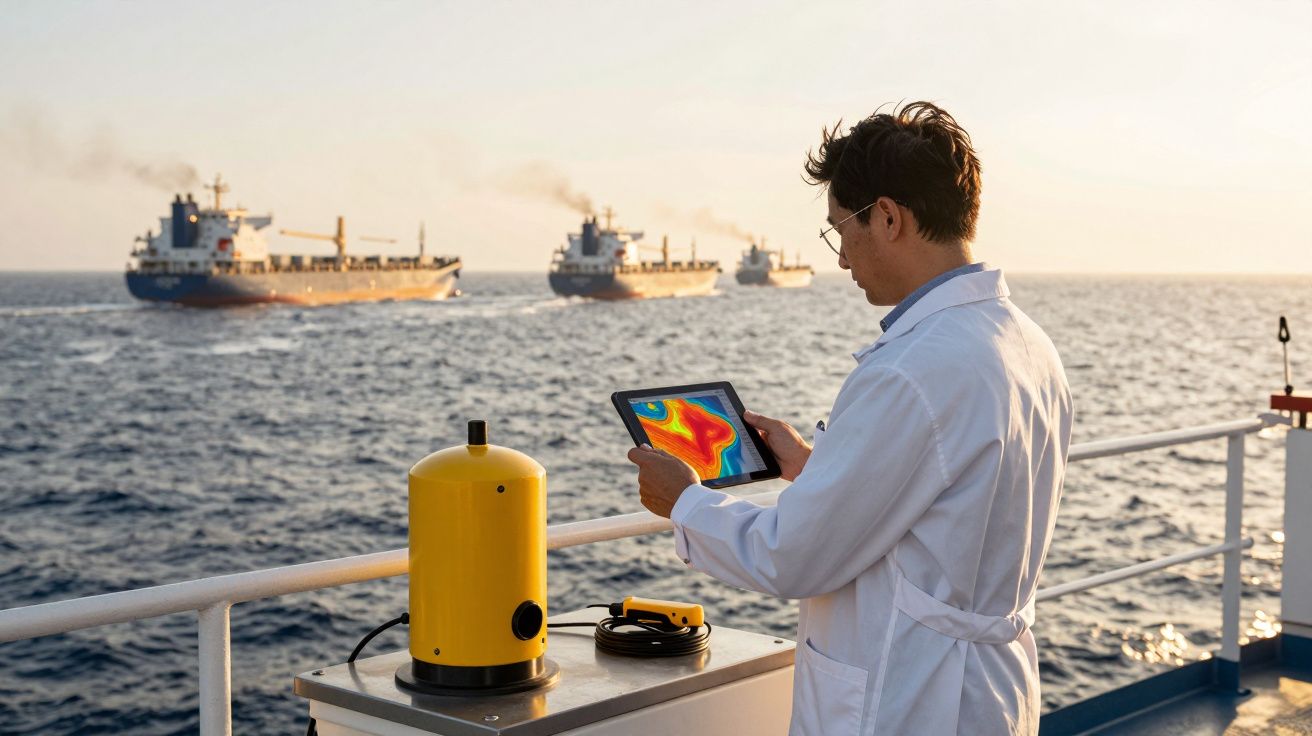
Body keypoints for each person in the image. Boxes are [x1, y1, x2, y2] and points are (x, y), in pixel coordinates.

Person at [627, 101, 1073, 735]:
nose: (840, 258)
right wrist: (815, 468)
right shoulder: (1027, 344)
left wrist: (686, 503)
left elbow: (794, 556)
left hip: (911, 698)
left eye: (841, 230)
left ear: (887, 217)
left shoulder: (910, 370)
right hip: (991, 691)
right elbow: (954, 507)